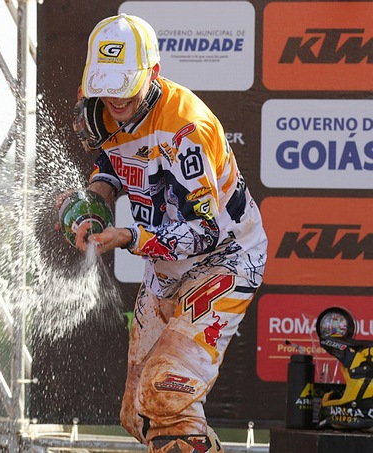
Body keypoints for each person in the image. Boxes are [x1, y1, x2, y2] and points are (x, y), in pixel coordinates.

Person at [58, 13, 268, 453]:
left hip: (224, 259)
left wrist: (130, 239)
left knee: (164, 391)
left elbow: (205, 233)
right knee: (136, 410)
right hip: (166, 266)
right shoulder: (101, 103)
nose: (114, 99)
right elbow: (110, 168)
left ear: (153, 73)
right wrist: (90, 211)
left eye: (124, 87)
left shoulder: (186, 129)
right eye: (105, 86)